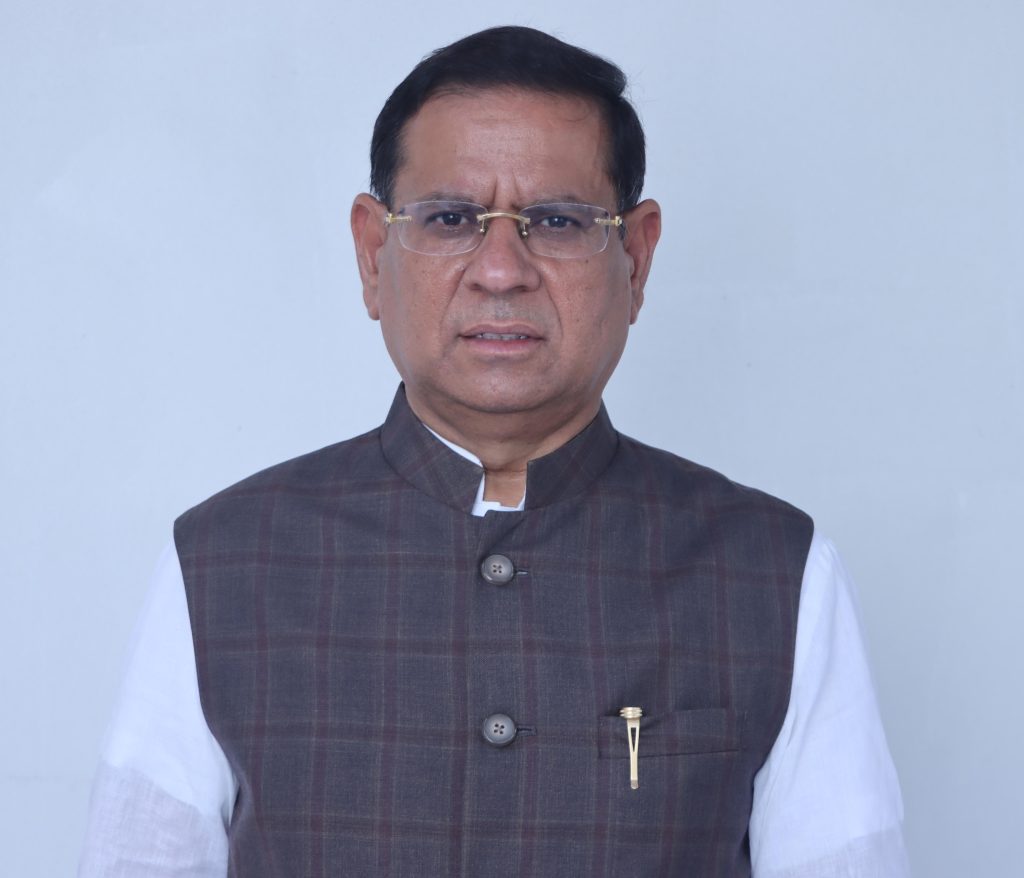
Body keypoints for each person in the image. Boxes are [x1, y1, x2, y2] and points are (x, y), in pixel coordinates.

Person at [79, 25, 910, 878]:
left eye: (557, 220)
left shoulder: (771, 570)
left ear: (636, 257)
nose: (502, 270)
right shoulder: (226, 562)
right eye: (450, 220)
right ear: (372, 253)